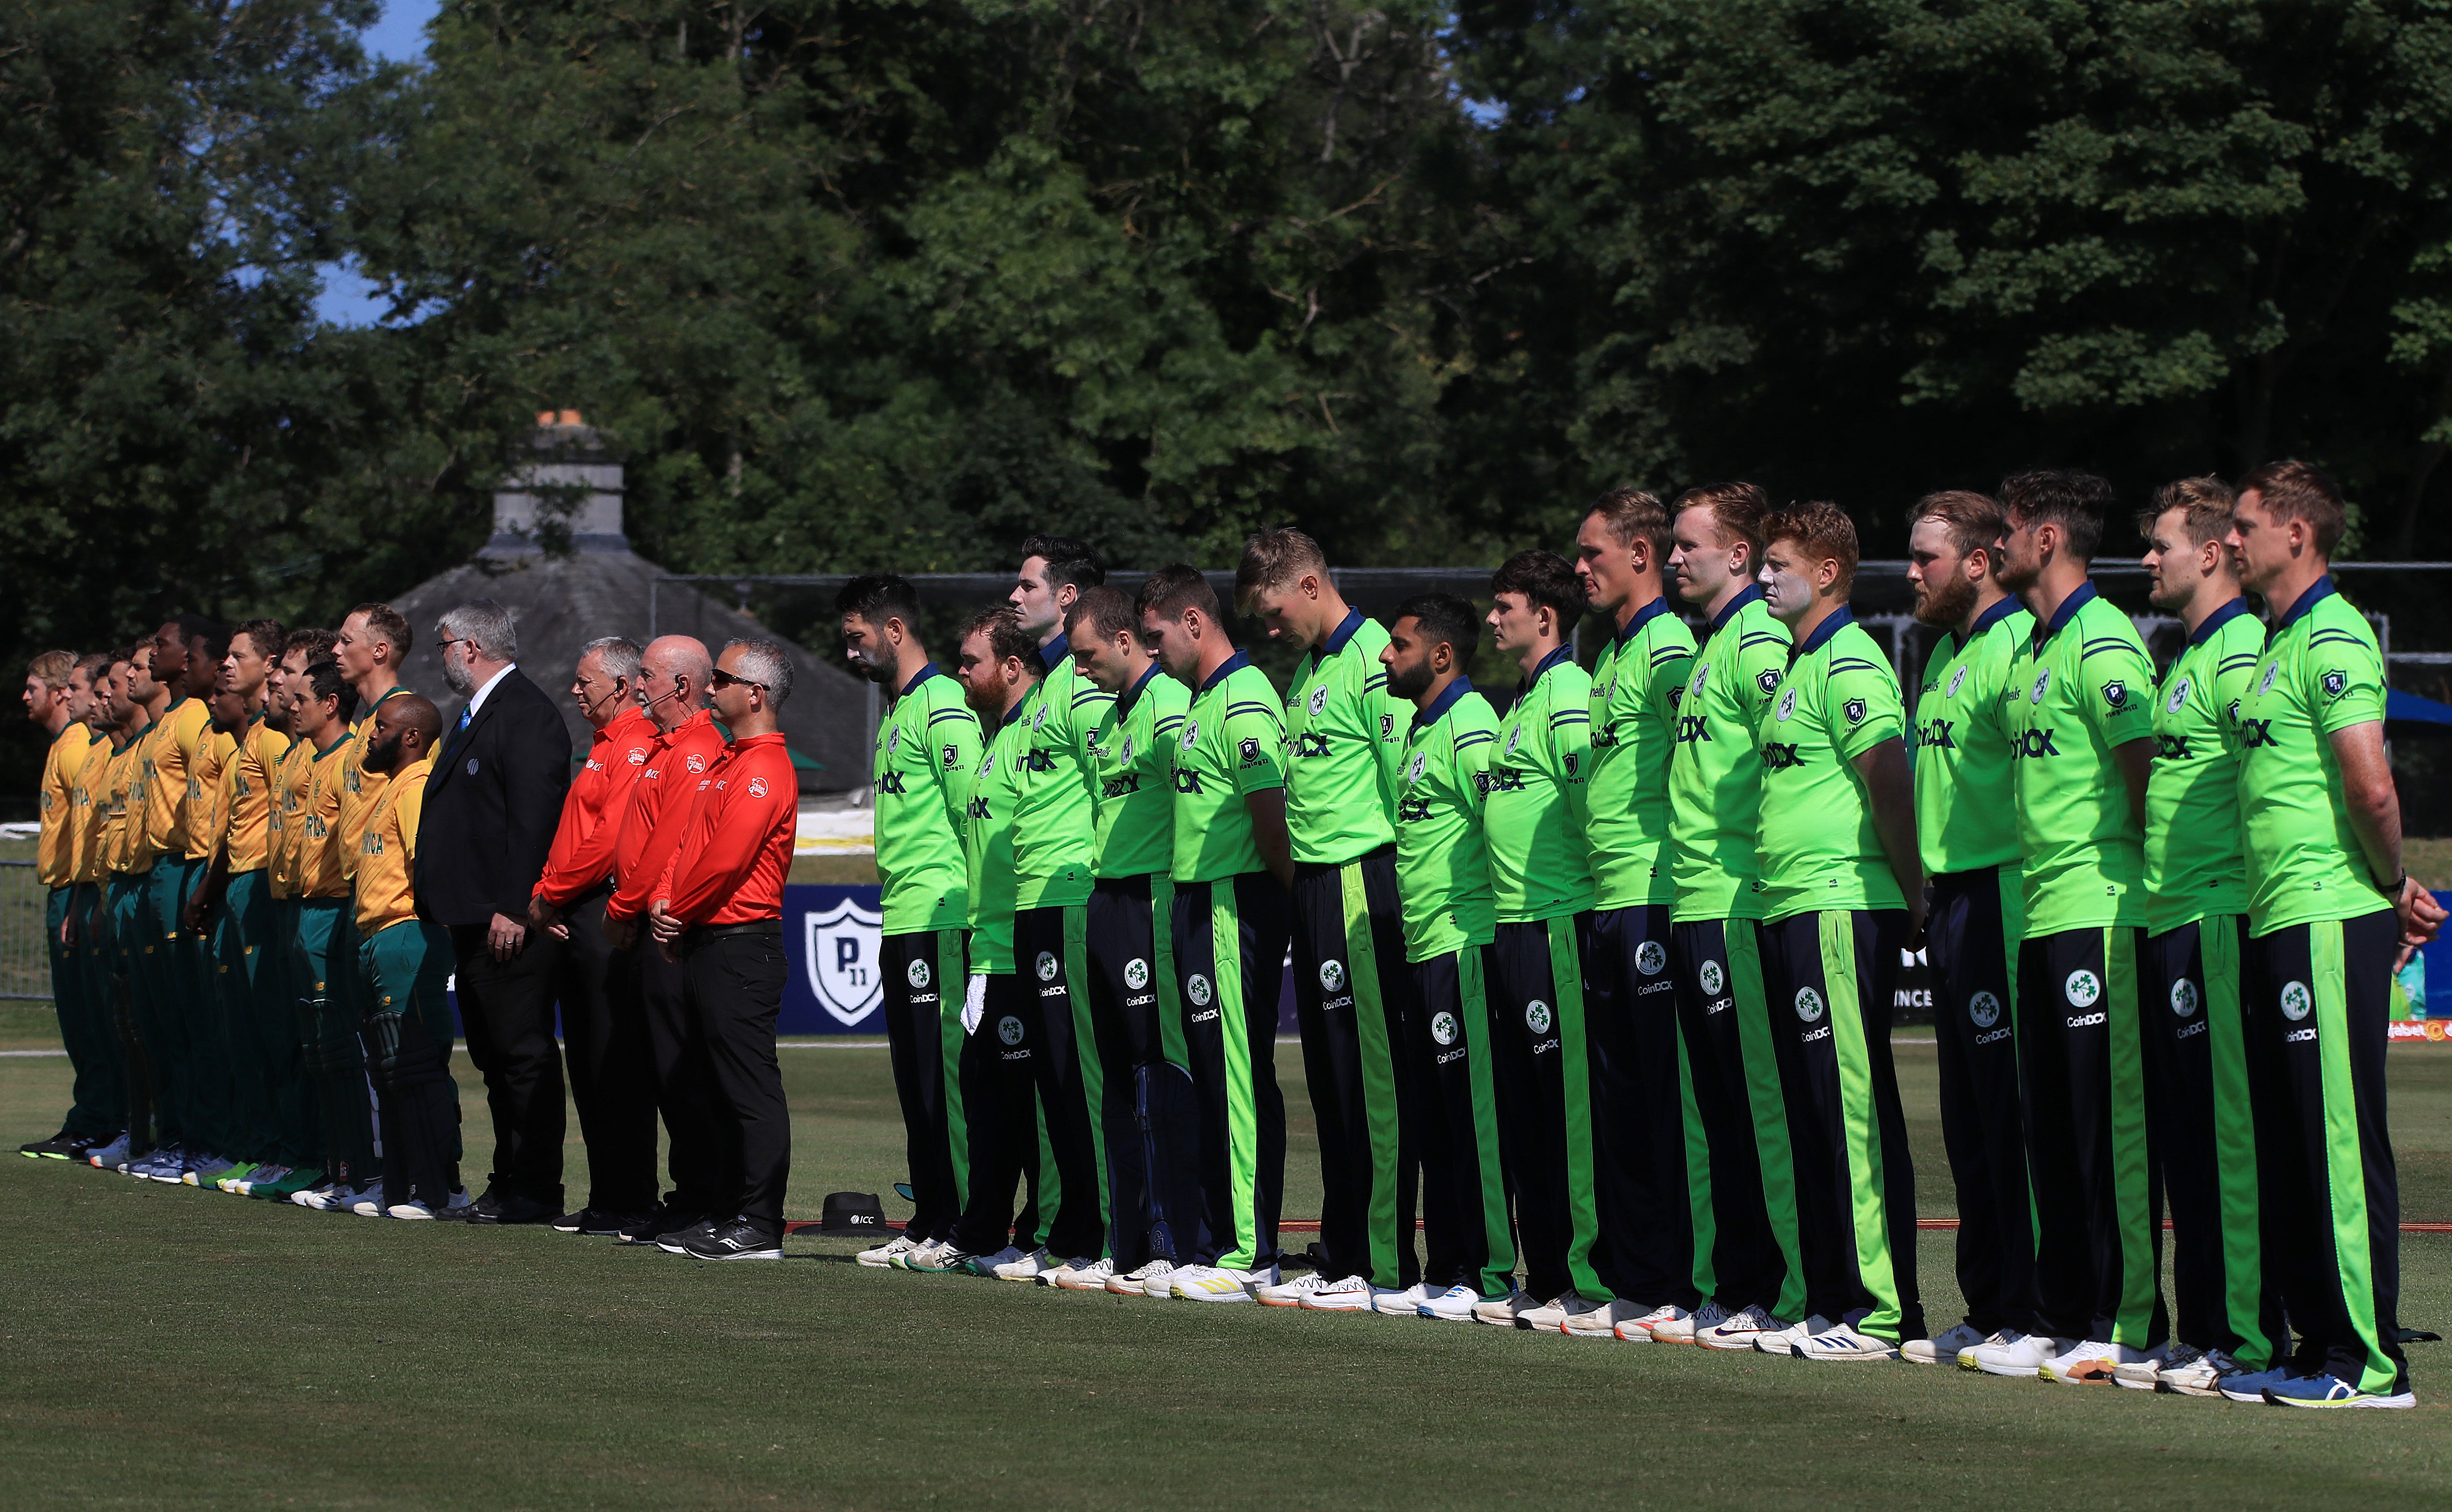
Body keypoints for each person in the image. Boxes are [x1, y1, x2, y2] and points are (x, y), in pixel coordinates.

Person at [2221, 460, 2441, 1408]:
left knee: (2337, 1139)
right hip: (2280, 915)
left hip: (2325, 914)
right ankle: (2316, 1348)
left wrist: (2392, 885)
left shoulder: (2335, 634)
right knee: (2292, 1140)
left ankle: (2370, 1362)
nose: (2229, 540)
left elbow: (2372, 785)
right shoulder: (2280, 638)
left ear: (2297, 535)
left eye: (2244, 525)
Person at [1968, 469, 2167, 1383]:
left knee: (2107, 1128)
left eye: (2007, 531)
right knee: (2048, 1123)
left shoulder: (2102, 637)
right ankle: (2060, 1312)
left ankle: (2125, 1319)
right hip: (2040, 912)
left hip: (2097, 912)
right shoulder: (2036, 647)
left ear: (2045, 539)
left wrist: (2120, 868)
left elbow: (2142, 770)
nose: (1997, 546)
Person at [1751, 500, 1925, 1361]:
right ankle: (1832, 1296)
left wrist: (1911, 888)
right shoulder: (1796, 664)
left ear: (1826, 572)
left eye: (1778, 562)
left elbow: (1887, 777)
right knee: (1812, 1111)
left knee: (1849, 1106)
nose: (1763, 577)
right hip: (1790, 906)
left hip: (1834, 906)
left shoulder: (1851, 658)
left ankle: (1881, 1309)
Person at [2121, 477, 2281, 1396]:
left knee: (2228, 1138)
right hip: (2170, 916)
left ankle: (2248, 1340)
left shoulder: (2242, 653)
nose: (2148, 558)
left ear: (2214, 553)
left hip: (2219, 916)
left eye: (2164, 543)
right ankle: (2206, 1329)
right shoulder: (2187, 658)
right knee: (2186, 1140)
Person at [1235, 528, 1416, 1313]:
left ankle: (1380, 1258)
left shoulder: (1376, 657)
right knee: (1329, 1079)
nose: (1268, 629)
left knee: (1369, 1078)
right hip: (1313, 887)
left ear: (1310, 585)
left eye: (1274, 610)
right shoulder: (1310, 669)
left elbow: (1403, 785)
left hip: (1359, 882)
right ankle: (1344, 1245)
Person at [1662, 482, 1806, 1350]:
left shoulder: (1756, 643)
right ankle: (1737, 1281)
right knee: (1715, 1111)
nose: (1676, 558)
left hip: (1733, 902)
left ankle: (1775, 1286)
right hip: (1695, 901)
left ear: (1740, 558)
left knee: (1755, 1109)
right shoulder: (1713, 643)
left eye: (1689, 545)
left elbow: (1780, 771)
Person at [1902, 490, 2039, 1366]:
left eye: (1927, 559)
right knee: (1965, 1118)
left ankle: (2030, 1306)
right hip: (1949, 904)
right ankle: (1987, 1306)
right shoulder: (1944, 651)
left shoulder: (2018, 642)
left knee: (2011, 1113)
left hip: (2003, 897)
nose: (1911, 574)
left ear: (1980, 561)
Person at [1569, 490, 1703, 1340]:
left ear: (1643, 554)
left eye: (1593, 553)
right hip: (1605, 899)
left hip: (1656, 896)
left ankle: (1682, 1280)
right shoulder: (1612, 655)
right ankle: (1637, 1272)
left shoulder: (1670, 648)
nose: (1580, 568)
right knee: (1619, 1097)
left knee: (1663, 1097)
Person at [1141, 563, 1293, 1302]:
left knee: (1235, 1073)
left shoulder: (1245, 694)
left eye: (1157, 634)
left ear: (1193, 622)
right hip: (1199, 902)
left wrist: (1284, 902)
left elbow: (1272, 818)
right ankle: (1216, 1238)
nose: (1152, 648)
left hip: (1235, 902)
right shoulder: (1202, 700)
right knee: (1209, 1074)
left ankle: (1248, 1251)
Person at [1472, 548, 1604, 1331]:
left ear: (1544, 617)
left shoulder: (1567, 694)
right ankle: (1547, 1270)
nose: (1492, 617)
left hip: (1558, 923)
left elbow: (1591, 810)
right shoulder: (1522, 700)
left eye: (1505, 604)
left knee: (1569, 1111)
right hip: (1513, 925)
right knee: (1527, 1111)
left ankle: (1586, 1275)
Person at [1379, 593, 1517, 1322]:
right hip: (1421, 945)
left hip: (1462, 947)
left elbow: (1497, 837)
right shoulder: (1417, 730)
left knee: (1474, 1116)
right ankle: (1446, 1265)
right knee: (1434, 1115)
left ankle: (1490, 1270)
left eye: (1398, 644)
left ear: (1439, 655)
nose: (1384, 655)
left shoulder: (1471, 729)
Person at [838, 576, 981, 1269]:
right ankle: (927, 1219)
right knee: (912, 1077)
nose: (850, 652)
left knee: (944, 1077)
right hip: (902, 915)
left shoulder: (944, 705)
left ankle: (958, 1226)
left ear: (894, 629)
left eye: (857, 637)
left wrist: (976, 915)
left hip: (942, 914)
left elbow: (970, 816)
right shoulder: (898, 711)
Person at [414, 600, 572, 1226]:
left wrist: (514, 904)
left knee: (522, 1054)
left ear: (471, 647)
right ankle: (507, 1181)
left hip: (505, 922)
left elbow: (535, 820)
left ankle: (534, 1187)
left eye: (444, 644)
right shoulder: (479, 714)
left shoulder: (526, 713)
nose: (442, 657)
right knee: (495, 1056)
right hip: (472, 918)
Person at [644, 638, 802, 1260]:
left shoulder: (762, 768)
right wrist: (665, 897)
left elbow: (727, 858)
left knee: (747, 1087)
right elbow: (686, 846)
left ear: (755, 693)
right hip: (709, 940)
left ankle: (759, 1222)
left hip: (741, 944)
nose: (711, 688)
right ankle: (726, 1211)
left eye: (722, 679)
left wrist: (674, 907)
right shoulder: (729, 762)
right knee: (712, 1086)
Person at [935, 606, 1080, 1276]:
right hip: (989, 946)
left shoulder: (1035, 731)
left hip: (1021, 946)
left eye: (971, 661)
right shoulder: (1002, 736)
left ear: (1012, 667)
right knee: (990, 1100)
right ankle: (988, 1228)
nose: (960, 671)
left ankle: (1046, 1230)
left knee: (1035, 1104)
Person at [1064, 585, 1197, 1296]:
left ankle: (1174, 1237)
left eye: (1086, 656)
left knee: (1157, 1070)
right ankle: (1127, 1240)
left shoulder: (1170, 707)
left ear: (1125, 641)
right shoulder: (1113, 718)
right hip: (1107, 898)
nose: (1079, 669)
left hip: (1152, 897)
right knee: (1115, 1073)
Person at [998, 537, 1118, 1284]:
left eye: (1028, 584)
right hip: (1035, 898)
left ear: (1067, 596)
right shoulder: (1048, 686)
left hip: (1076, 894)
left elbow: (1114, 789)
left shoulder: (1086, 685)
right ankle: (1072, 1227)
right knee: (1054, 1081)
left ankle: (1107, 1229)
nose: (1014, 596)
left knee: (1086, 1078)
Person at [599, 634, 728, 1246]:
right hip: (648, 922)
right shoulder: (668, 746)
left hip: (666, 928)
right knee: (659, 1067)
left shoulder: (697, 747)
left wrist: (623, 908)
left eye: (647, 675)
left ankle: (701, 1196)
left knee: (681, 1068)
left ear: (680, 684)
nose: (638, 684)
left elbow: (670, 844)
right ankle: (686, 1194)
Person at [529, 637, 661, 1236]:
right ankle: (608, 1192)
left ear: (622, 685)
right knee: (587, 1057)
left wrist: (550, 893)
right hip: (574, 909)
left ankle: (630, 1195)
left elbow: (609, 839)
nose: (575, 691)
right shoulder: (606, 745)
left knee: (614, 1060)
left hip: (597, 911)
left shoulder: (633, 744)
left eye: (585, 682)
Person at [355, 692, 466, 1219]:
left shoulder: (417, 784)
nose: (372, 735)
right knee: (390, 1067)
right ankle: (399, 1185)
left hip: (407, 933)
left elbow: (429, 862)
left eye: (381, 727)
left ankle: (439, 1188)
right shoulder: (389, 787)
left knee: (415, 1064)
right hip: (379, 936)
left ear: (412, 736)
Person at [205, 622, 304, 1196]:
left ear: (269, 666)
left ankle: (284, 1149)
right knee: (244, 1029)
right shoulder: (254, 734)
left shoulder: (273, 737)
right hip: (241, 884)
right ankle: (259, 1144)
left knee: (275, 1028)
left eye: (236, 656)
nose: (224, 665)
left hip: (264, 883)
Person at [243, 629, 337, 1204]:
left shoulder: (334, 747)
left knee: (325, 1045)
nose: (280, 679)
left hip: (325, 903)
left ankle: (325, 1156)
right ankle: (289, 1150)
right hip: (287, 899)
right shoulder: (292, 745)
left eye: (292, 670)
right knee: (280, 1037)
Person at [283, 660, 376, 1212]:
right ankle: (335, 1166)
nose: (293, 708)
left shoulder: (349, 755)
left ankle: (361, 1167)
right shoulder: (311, 759)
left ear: (331, 703)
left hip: (336, 906)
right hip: (304, 905)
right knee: (318, 1046)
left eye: (302, 699)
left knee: (344, 1046)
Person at [21, 649, 107, 1159]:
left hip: (79, 891)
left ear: (58, 692)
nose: (24, 697)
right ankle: (91, 1115)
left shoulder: (77, 746)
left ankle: (98, 1118)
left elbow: (88, 831)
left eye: (33, 687)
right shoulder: (65, 745)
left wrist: (78, 896)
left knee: (91, 1018)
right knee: (80, 1019)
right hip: (68, 889)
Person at [61, 653, 129, 1165]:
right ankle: (110, 1122)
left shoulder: (187, 727)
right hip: (97, 891)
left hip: (144, 885)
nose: (92, 699)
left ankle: (126, 1123)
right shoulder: (94, 750)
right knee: (101, 1021)